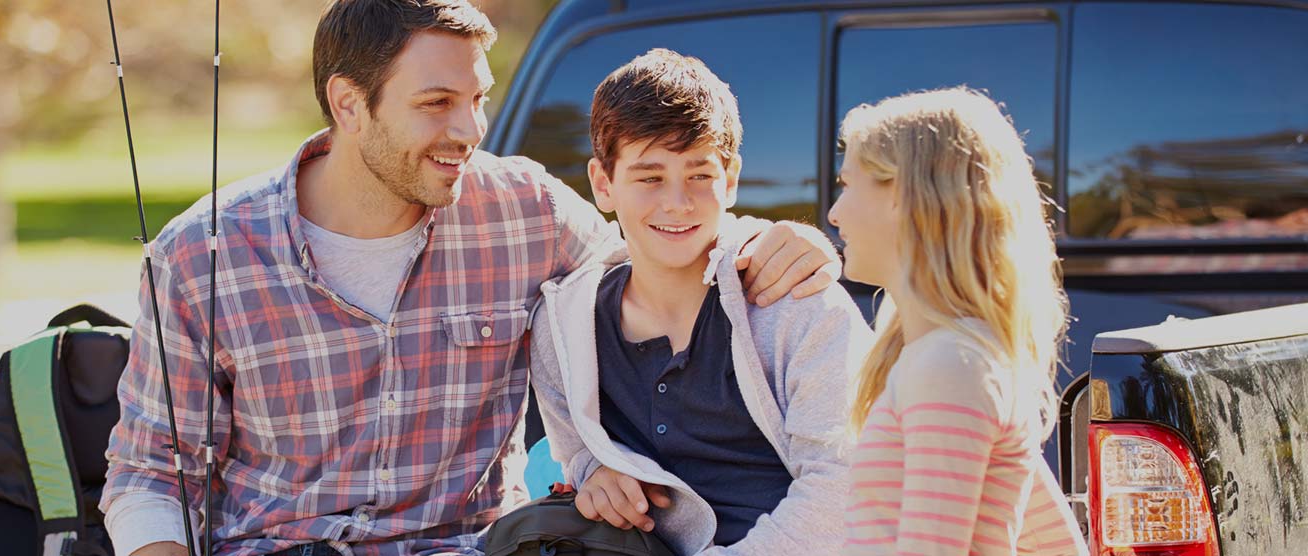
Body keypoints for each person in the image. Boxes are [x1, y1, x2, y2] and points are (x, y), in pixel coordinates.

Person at [99, 2, 842, 555]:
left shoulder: (525, 212)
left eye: (478, 98)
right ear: (348, 104)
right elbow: (147, 478)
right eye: (437, 104)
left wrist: (777, 239)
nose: (470, 129)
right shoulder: (201, 255)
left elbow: (659, 241)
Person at [526, 49, 871, 555]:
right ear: (603, 184)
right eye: (649, 177)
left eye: (699, 175)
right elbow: (572, 450)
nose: (677, 202)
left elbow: (846, 487)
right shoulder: (562, 330)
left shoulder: (798, 304)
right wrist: (594, 470)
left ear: (730, 178)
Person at [826, 88, 1087, 555]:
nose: (834, 213)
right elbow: (1054, 540)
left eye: (848, 185)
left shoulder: (950, 365)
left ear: (904, 194)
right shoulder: (954, 356)